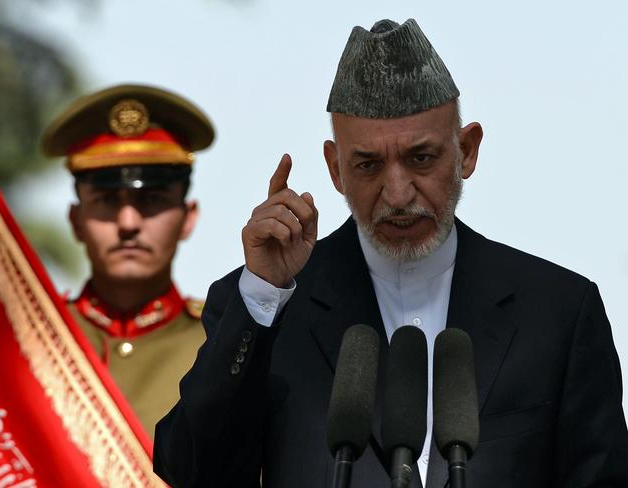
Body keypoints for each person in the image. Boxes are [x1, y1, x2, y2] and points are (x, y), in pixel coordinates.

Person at [153, 19, 628, 488]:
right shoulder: (270, 308)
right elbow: (194, 471)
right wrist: (263, 295)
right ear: (335, 169)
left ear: (467, 151)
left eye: (421, 158)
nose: (398, 194)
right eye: (368, 165)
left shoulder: (559, 311)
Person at [41, 84, 215, 439]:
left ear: (189, 218)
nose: (128, 223)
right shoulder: (34, 340)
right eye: (106, 201)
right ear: (75, 220)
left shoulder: (222, 346)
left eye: (151, 200)